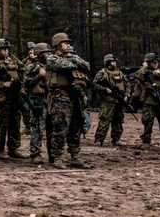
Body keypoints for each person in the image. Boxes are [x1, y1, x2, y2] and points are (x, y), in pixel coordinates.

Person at [44, 33, 91, 169]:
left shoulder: (73, 57)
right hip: (60, 98)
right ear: (58, 45)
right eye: (66, 43)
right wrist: (74, 62)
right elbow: (62, 66)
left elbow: (86, 65)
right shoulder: (52, 58)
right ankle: (57, 157)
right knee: (60, 128)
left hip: (74, 97)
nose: (68, 45)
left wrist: (74, 61)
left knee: (75, 128)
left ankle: (75, 156)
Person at [0, 39, 26, 160]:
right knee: (2, 125)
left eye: (7, 49)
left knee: (15, 124)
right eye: (3, 49)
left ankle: (13, 148)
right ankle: (0, 150)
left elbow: (23, 70)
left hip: (15, 97)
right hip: (2, 99)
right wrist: (2, 84)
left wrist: (21, 85)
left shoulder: (13, 60)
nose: (6, 51)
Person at [132, 52, 160, 150]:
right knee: (148, 122)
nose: (156, 64)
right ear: (147, 63)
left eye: (156, 62)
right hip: (149, 101)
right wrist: (146, 69)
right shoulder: (143, 72)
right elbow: (136, 75)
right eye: (153, 62)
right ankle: (146, 142)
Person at [92, 54, 128, 147]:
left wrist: (127, 95)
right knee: (104, 121)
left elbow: (127, 85)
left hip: (118, 101)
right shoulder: (102, 73)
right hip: (107, 101)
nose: (114, 63)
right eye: (112, 61)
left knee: (118, 121)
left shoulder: (120, 73)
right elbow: (94, 84)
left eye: (115, 61)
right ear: (107, 62)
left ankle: (116, 139)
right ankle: (99, 140)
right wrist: (104, 89)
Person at [23, 42, 50, 163]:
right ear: (40, 54)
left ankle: (53, 154)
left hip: (50, 100)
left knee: (52, 129)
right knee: (38, 128)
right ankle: (35, 153)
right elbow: (26, 82)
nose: (48, 54)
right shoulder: (32, 66)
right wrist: (39, 76)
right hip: (38, 100)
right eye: (46, 52)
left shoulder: (51, 66)